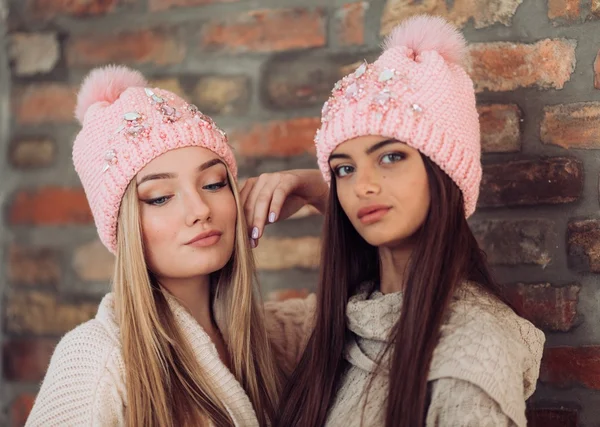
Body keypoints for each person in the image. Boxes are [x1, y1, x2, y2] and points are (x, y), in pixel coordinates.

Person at [26, 65, 283, 427]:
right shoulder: (96, 360)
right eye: (160, 197)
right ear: (123, 228)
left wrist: (316, 190)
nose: (199, 211)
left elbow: (388, 310)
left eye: (213, 183)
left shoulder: (276, 338)